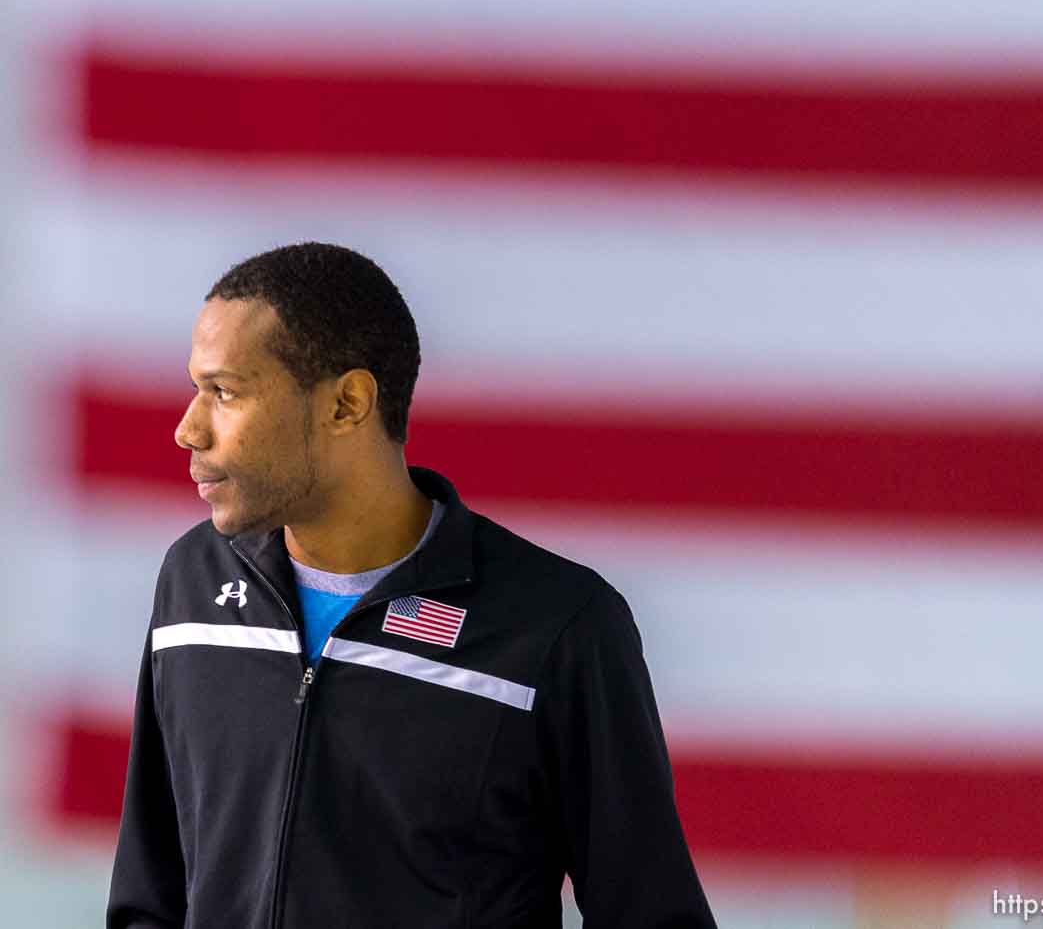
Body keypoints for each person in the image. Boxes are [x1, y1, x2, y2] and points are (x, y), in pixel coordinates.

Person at [106, 241, 716, 929]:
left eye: (224, 392)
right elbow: (150, 894)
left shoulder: (558, 626)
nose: (188, 429)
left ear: (347, 404)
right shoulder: (193, 584)